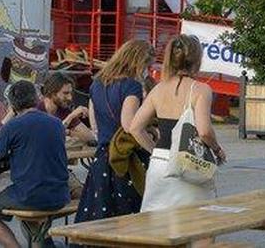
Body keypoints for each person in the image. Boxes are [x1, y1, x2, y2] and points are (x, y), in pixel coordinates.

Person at [129, 34, 224, 212]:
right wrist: (217, 150)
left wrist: (154, 151)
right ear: (197, 60)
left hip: (159, 163)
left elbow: (135, 128)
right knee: (195, 220)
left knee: (155, 221)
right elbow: (204, 131)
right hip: (188, 164)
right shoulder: (201, 90)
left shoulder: (158, 89)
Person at [74, 38, 154, 224]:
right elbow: (129, 126)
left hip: (102, 158)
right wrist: (153, 149)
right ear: (138, 62)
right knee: (130, 219)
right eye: (147, 66)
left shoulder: (96, 84)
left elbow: (95, 126)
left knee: (101, 219)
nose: (147, 71)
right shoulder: (131, 86)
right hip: (126, 160)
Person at [0, 80, 69, 248]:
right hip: (60, 194)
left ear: (12, 105)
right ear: (36, 99)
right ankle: (43, 244)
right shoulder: (56, 123)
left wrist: (6, 120)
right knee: (28, 216)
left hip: (29, 195)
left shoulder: (12, 126)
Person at [40, 72, 95, 145]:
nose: (70, 98)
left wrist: (68, 132)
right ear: (52, 93)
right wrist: (70, 117)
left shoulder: (63, 110)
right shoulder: (36, 110)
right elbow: (47, 137)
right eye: (65, 93)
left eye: (70, 93)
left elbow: (90, 137)